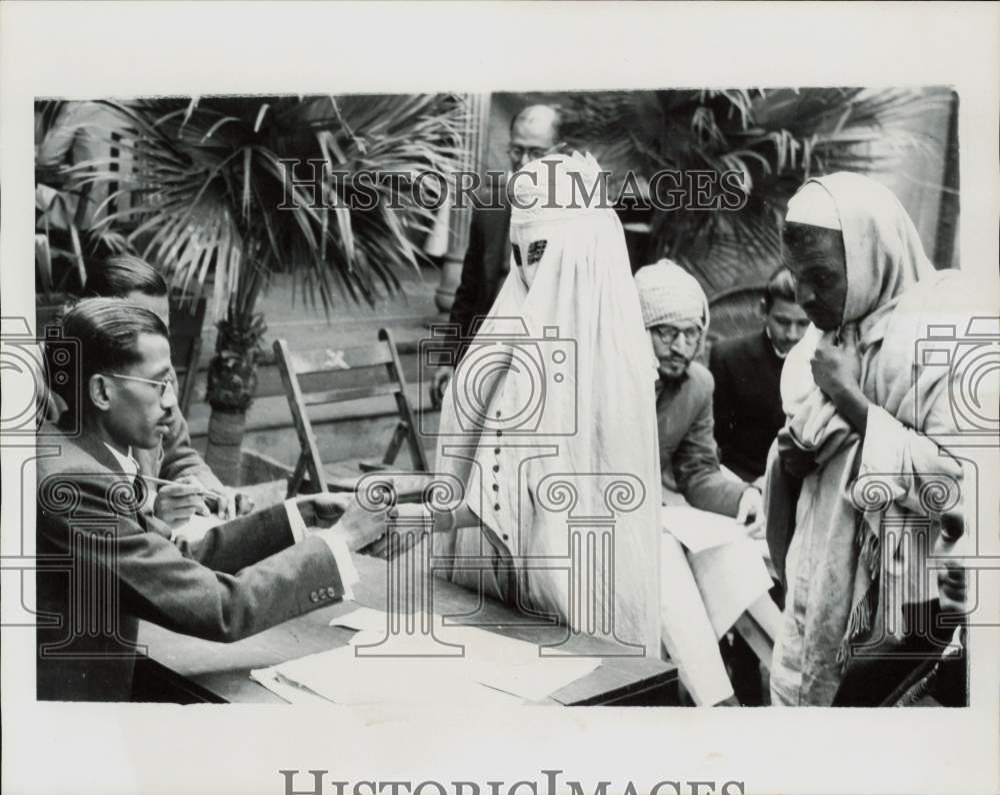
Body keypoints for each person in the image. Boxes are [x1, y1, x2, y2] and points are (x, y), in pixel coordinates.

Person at [36, 298, 385, 701]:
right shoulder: (76, 484)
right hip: (73, 725)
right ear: (101, 391)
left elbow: (174, 557)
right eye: (158, 384)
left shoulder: (77, 453)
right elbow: (222, 608)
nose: (171, 403)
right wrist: (342, 540)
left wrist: (301, 517)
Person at [407, 152, 661, 656]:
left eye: (541, 251)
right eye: (517, 253)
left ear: (581, 252)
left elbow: (553, 501)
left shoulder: (610, 367)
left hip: (567, 608)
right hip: (488, 594)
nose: (526, 270)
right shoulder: (502, 335)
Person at [764, 172, 973, 706]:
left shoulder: (935, 339)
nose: (805, 295)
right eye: (794, 275)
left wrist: (851, 400)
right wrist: (788, 459)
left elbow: (959, 486)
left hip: (902, 605)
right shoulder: (821, 342)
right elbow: (800, 455)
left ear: (872, 259)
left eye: (822, 276)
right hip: (817, 581)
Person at [634, 260, 778, 705]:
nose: (681, 347)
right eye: (665, 333)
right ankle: (719, 702)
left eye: (692, 333)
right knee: (669, 564)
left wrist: (746, 494)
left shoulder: (698, 384)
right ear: (637, 331)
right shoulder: (610, 381)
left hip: (666, 512)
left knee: (731, 546)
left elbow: (697, 471)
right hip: (613, 517)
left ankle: (790, 667)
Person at [79, 254, 241, 527]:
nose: (156, 341)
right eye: (142, 327)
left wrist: (204, 484)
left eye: (162, 329)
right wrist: (153, 512)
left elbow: (178, 454)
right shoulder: (64, 405)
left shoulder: (161, 382)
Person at [432, 105, 565, 401]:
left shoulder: (575, 221)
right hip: (486, 363)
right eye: (517, 151)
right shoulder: (489, 209)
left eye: (537, 153)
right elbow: (468, 292)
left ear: (560, 153)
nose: (525, 163)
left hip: (547, 372)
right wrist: (448, 358)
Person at [709, 266, 810, 484]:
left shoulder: (828, 363)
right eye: (782, 322)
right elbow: (716, 442)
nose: (792, 334)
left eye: (803, 324)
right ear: (763, 310)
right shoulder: (728, 358)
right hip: (743, 481)